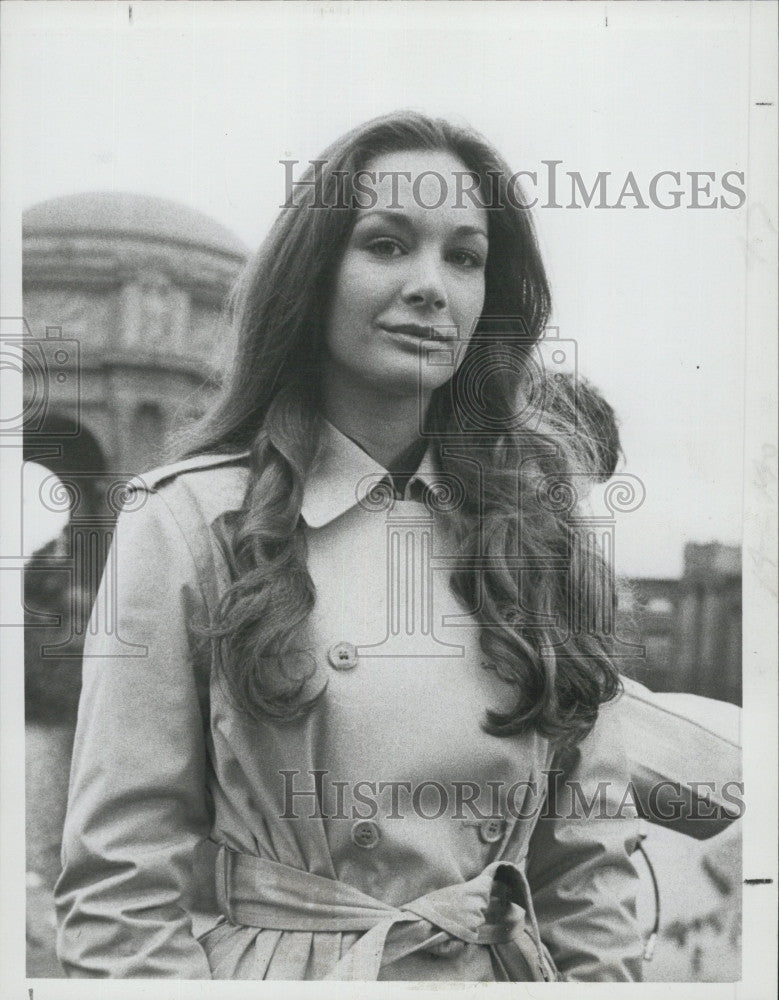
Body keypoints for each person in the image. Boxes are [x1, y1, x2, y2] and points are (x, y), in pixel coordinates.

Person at [54, 112, 740, 982]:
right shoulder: (190, 524)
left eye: (464, 257)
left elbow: (589, 859)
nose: (430, 286)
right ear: (313, 277)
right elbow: (122, 887)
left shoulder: (545, 538)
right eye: (385, 244)